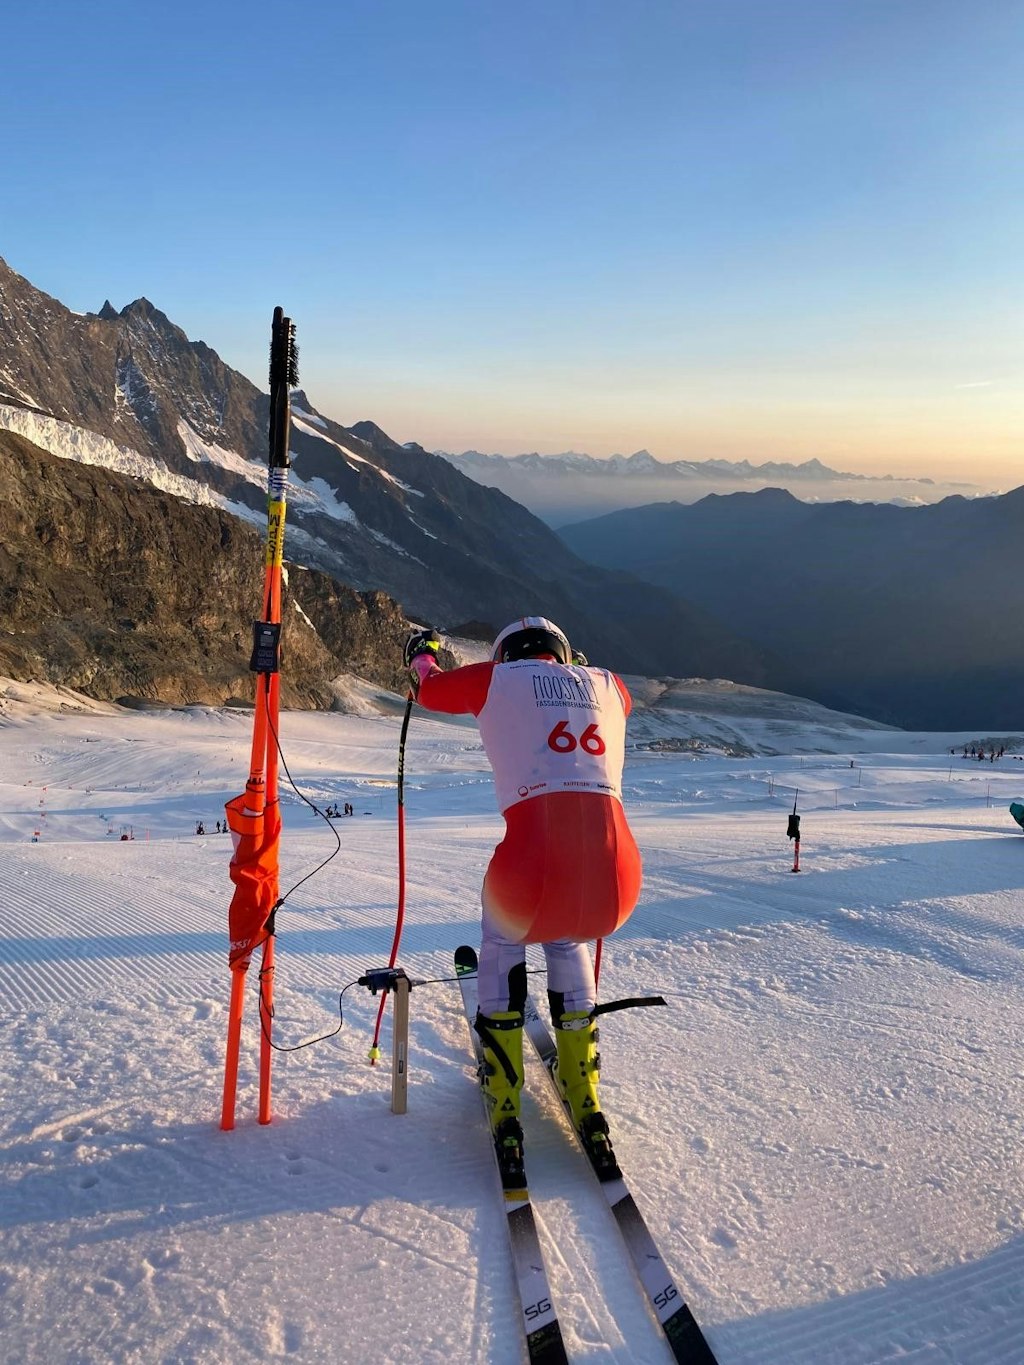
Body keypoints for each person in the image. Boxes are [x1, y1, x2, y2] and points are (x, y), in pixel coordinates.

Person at [404, 617, 642, 1175]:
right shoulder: (612, 684)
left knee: (503, 940)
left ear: (505, 654)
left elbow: (429, 689)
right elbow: (601, 697)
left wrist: (422, 655)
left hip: (530, 875)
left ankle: (504, 1088)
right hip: (618, 882)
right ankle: (583, 1087)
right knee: (567, 936)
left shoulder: (494, 679)